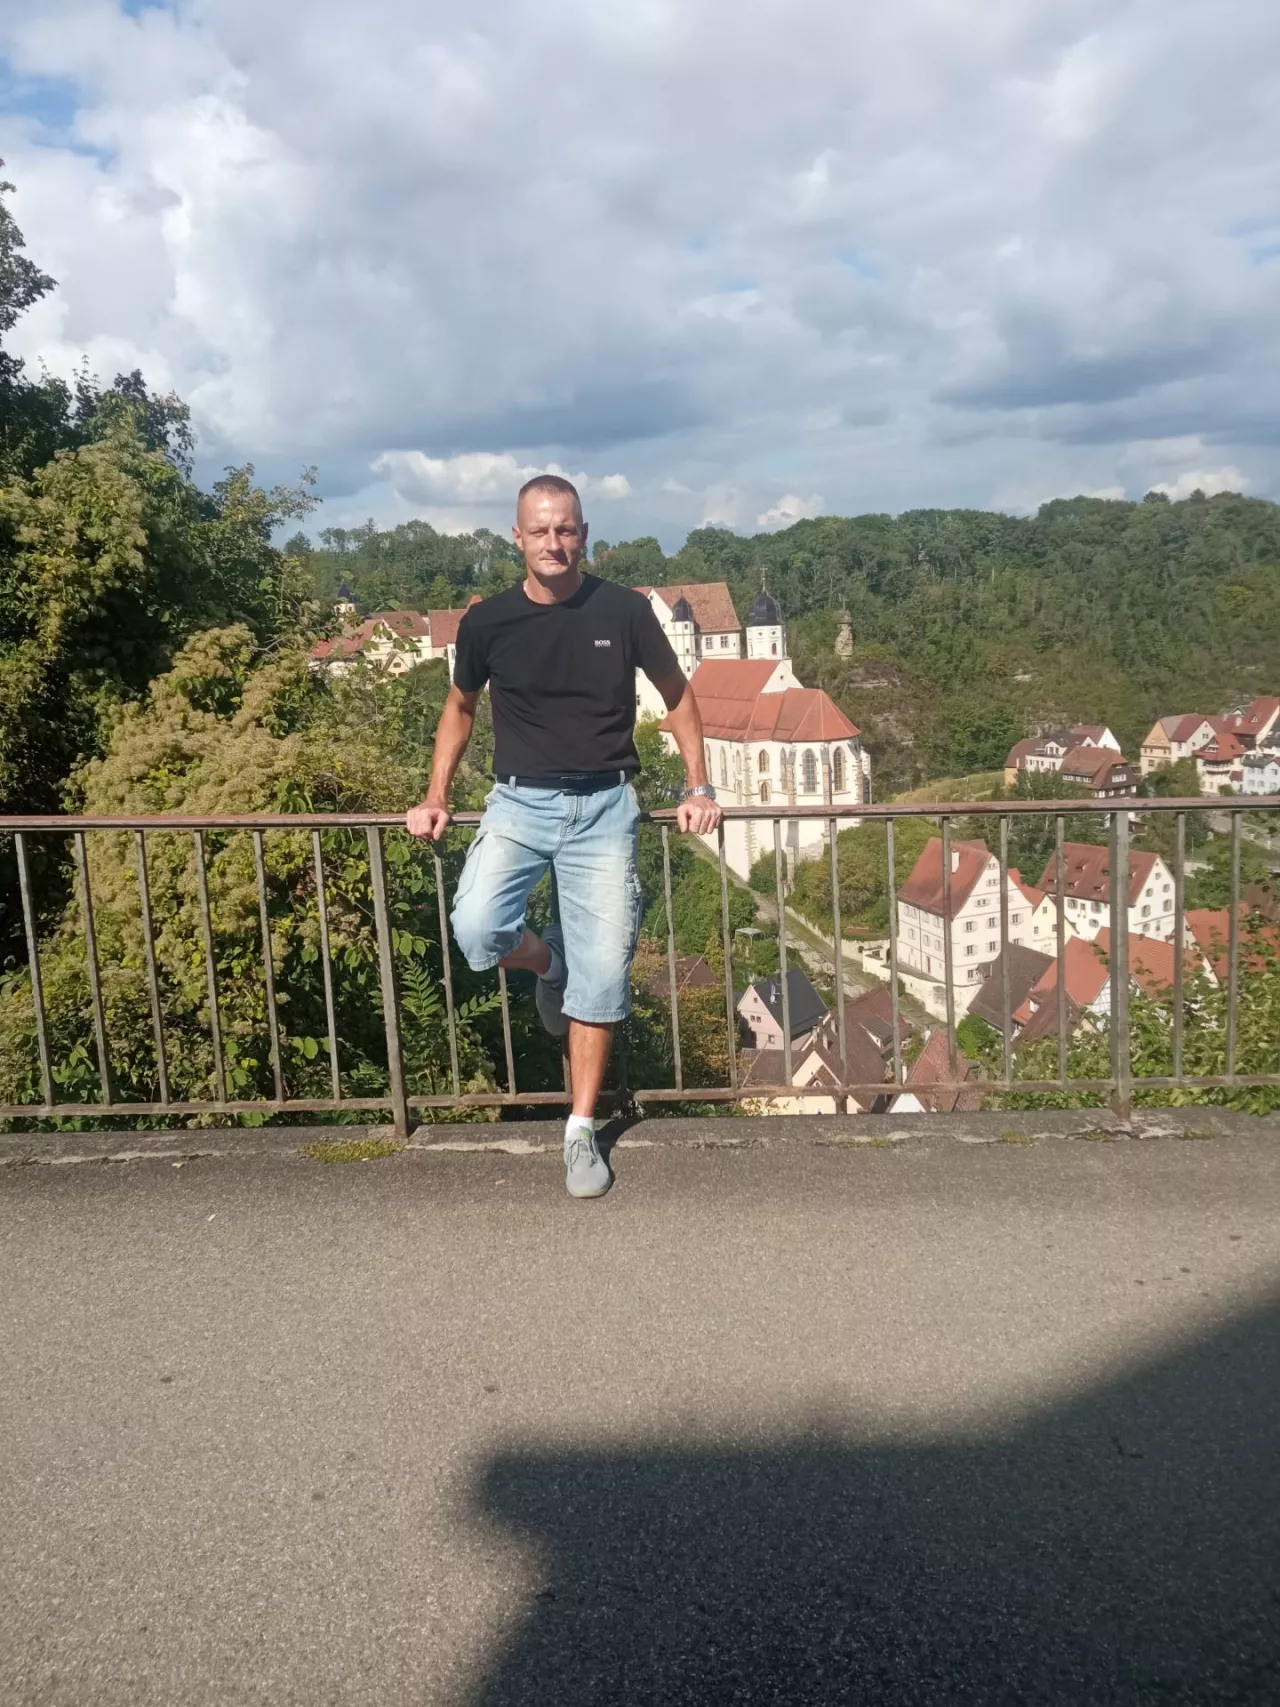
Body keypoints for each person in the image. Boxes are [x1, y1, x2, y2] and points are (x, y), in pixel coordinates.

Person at [406, 474, 722, 1199]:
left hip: (605, 808)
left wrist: (698, 786)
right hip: (518, 805)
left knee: (603, 978)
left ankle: (579, 1129)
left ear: (584, 535)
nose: (554, 542)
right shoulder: (487, 622)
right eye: (541, 530)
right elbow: (460, 708)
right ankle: (548, 964)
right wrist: (436, 795)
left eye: (567, 529)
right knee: (477, 928)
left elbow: (677, 694)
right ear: (517, 537)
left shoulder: (624, 611)